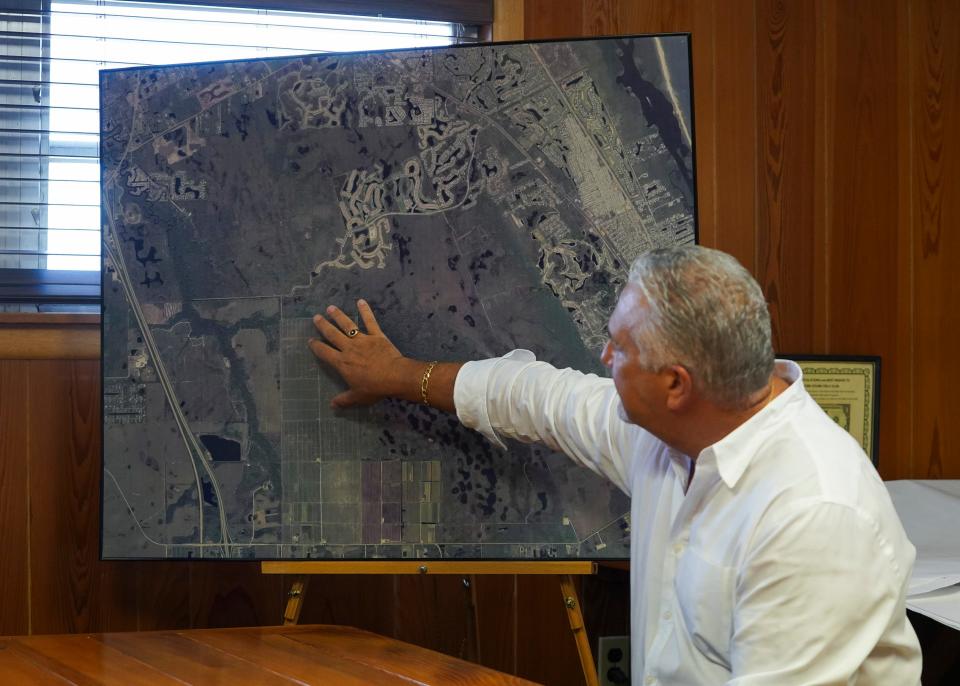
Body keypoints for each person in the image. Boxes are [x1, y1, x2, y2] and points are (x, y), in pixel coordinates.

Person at [309, 245, 922, 684]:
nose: (603, 356)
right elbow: (535, 397)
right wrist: (403, 377)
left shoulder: (812, 516)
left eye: (619, 347)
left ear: (676, 384)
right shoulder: (671, 431)